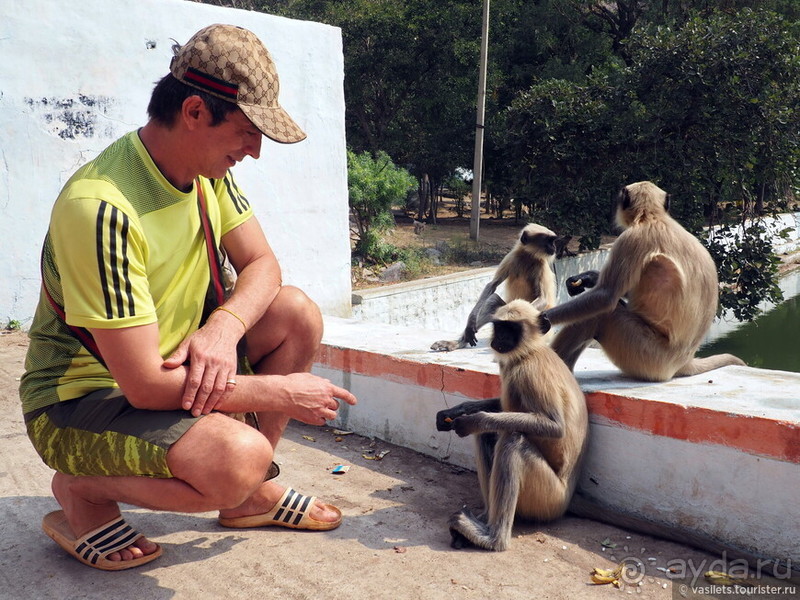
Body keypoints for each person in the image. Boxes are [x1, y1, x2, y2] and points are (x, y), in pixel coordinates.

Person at [19, 23, 357, 571]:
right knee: (239, 459)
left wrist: (222, 329)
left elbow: (264, 265)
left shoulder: (206, 175)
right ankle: (81, 489)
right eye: (248, 131)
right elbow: (146, 384)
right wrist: (282, 394)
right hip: (80, 403)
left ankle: (247, 497)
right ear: (196, 111)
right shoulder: (102, 207)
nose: (254, 151)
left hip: (169, 366)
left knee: (295, 313)